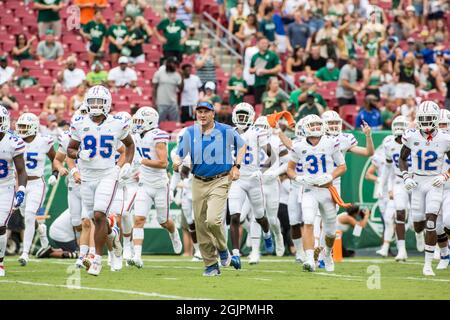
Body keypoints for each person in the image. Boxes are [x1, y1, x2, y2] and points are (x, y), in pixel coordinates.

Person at [67, 85, 135, 276]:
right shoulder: (79, 122)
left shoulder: (117, 123)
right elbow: (70, 149)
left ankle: (96, 258)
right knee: (96, 220)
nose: (96, 105)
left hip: (108, 174)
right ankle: (113, 236)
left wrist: (127, 164)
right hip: (87, 176)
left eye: (99, 102)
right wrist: (80, 152)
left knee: (98, 215)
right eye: (92, 102)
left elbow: (130, 145)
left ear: (107, 103)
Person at [174, 101, 246, 276]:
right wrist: (176, 161)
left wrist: (237, 166)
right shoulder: (190, 132)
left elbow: (242, 145)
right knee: (200, 224)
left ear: (213, 113)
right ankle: (211, 265)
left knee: (213, 220)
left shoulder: (226, 130)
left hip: (220, 179)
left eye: (206, 111)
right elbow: (179, 153)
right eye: (199, 111)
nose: (202, 114)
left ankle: (222, 249)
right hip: (198, 181)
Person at [287, 114, 347, 272]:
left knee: (330, 231)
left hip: (326, 190)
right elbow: (290, 169)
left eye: (318, 125)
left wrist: (330, 175)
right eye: (312, 125)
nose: (316, 128)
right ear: (306, 128)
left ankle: (327, 254)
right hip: (309, 189)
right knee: (308, 222)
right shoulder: (298, 146)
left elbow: (342, 166)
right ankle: (309, 259)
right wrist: (298, 178)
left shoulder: (331, 143)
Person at [399, 101, 450, 276]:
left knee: (431, 222)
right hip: (417, 182)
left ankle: (427, 265)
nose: (427, 122)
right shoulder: (411, 135)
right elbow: (402, 159)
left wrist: (444, 175)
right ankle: (426, 241)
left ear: (436, 119)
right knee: (418, 224)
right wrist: (406, 176)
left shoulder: (444, 138)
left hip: (434, 182)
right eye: (423, 119)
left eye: (430, 119)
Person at [127, 107, 182, 268]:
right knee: (139, 219)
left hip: (159, 185)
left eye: (140, 121)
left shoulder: (158, 136)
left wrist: (141, 162)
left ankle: (173, 233)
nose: (137, 124)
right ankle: (137, 256)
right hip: (144, 183)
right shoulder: (136, 135)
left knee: (163, 221)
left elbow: (163, 163)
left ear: (150, 121)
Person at [228, 103, 275, 267]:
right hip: (237, 179)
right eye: (239, 115)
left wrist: (261, 171)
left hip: (254, 179)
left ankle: (268, 234)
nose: (241, 119)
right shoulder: (228, 133)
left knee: (260, 216)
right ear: (234, 116)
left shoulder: (257, 133)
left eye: (244, 116)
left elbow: (272, 156)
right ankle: (235, 254)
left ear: (251, 117)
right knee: (235, 216)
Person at [15, 113, 55, 266]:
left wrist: (55, 173)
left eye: (24, 126)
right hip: (19, 183)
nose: (22, 129)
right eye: (20, 126)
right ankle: (41, 230)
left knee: (30, 216)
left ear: (33, 127)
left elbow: (55, 158)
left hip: (37, 183)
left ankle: (25, 253)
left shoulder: (44, 141)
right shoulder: (15, 141)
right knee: (26, 215)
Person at [378, 116, 413, 260]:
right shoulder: (388, 143)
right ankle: (401, 249)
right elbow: (387, 167)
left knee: (417, 219)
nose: (399, 129)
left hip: (416, 179)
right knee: (399, 213)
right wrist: (382, 185)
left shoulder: (414, 139)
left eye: (401, 125)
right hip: (399, 181)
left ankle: (419, 234)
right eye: (396, 125)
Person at [0, 105, 28, 277]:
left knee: (1, 226)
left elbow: (21, 171)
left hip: (5, 187)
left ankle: (0, 262)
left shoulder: (13, 141)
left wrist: (22, 189)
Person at [249, 37, 281, 104]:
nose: (265, 45)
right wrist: (256, 69)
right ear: (258, 44)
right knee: (258, 104)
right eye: (263, 43)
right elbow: (250, 70)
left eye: (266, 43)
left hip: (270, 84)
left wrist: (267, 71)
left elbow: (279, 68)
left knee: (271, 103)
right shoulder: (255, 56)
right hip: (258, 84)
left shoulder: (272, 55)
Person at [152, 56, 183, 122]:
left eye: (176, 64)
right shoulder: (159, 73)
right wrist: (154, 102)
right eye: (173, 63)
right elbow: (154, 88)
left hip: (173, 104)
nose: (175, 65)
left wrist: (182, 77)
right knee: (159, 124)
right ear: (168, 63)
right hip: (161, 103)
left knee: (175, 124)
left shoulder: (177, 75)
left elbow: (181, 89)